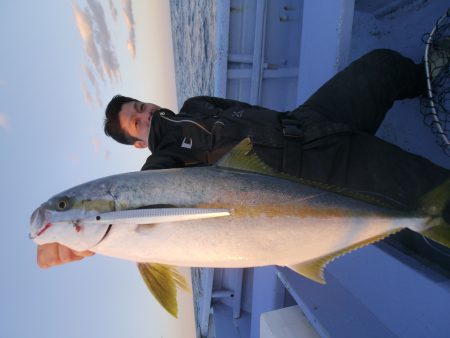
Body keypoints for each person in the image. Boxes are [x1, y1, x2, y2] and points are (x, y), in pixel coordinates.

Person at [37, 49, 450, 268]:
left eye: (141, 107)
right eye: (137, 123)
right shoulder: (160, 168)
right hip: (316, 173)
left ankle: (428, 74)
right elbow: (139, 216)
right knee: (435, 199)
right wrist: (78, 241)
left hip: (309, 123)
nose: (147, 115)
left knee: (379, 66)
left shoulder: (196, 103)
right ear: (137, 145)